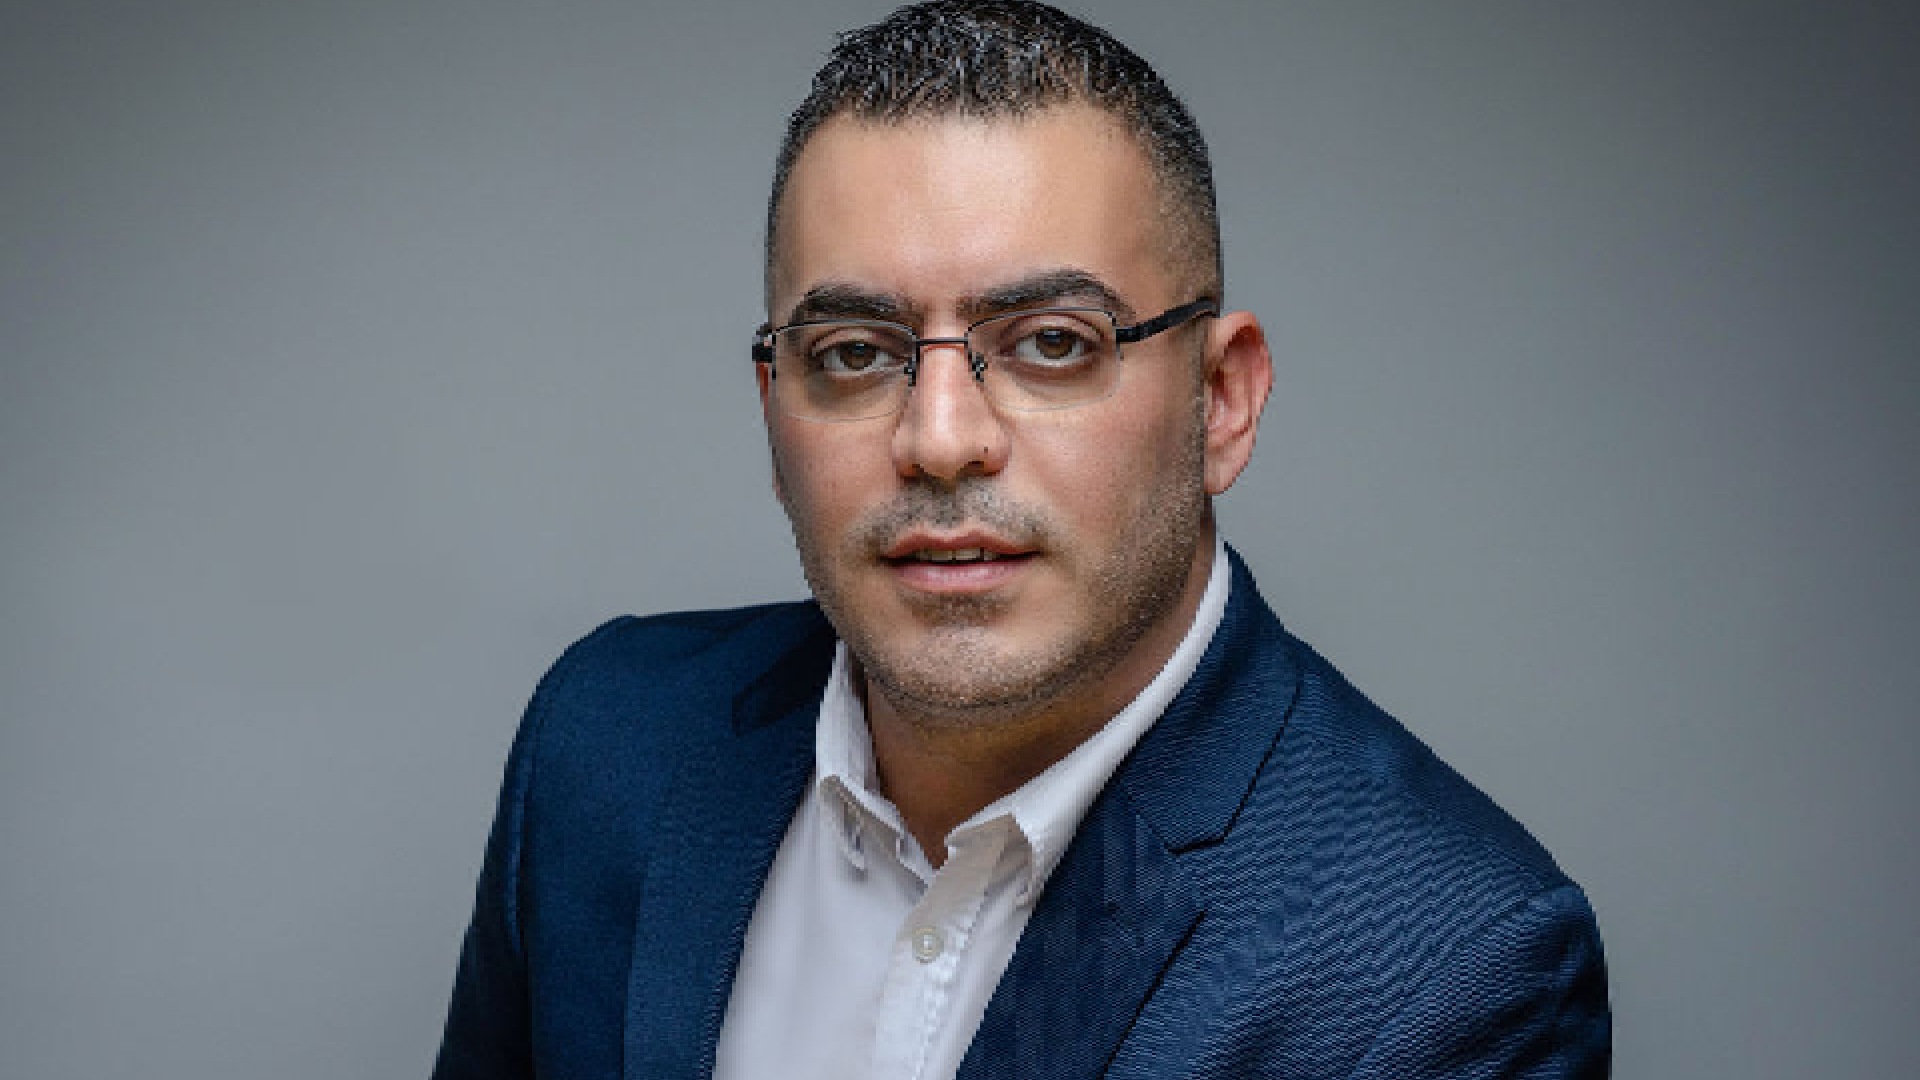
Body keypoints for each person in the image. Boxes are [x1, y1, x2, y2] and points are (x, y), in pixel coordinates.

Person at [430, 3, 1611, 1077]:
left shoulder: (1449, 968)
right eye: (854, 352)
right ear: (773, 407)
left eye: (1052, 342)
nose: (940, 440)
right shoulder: (604, 744)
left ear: (1223, 400)